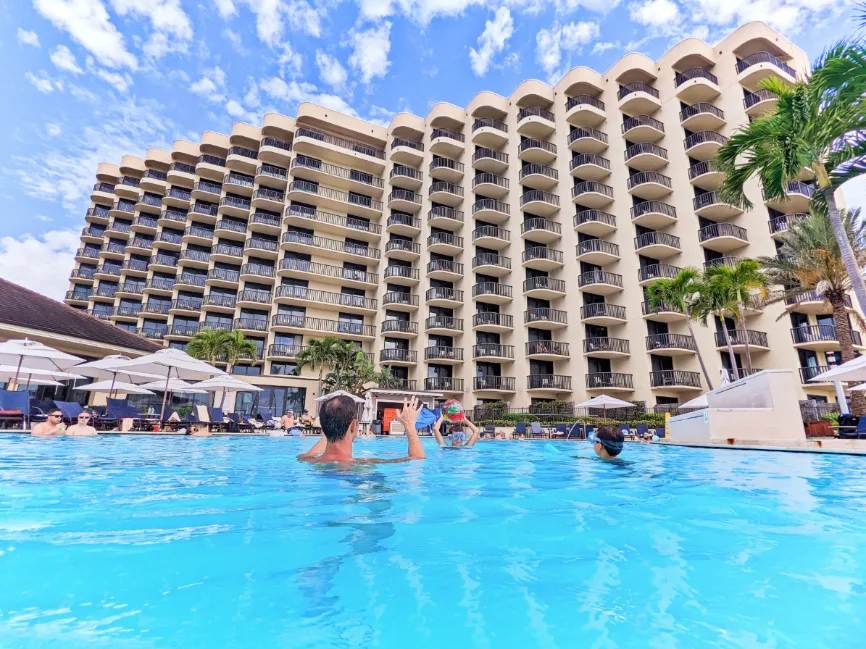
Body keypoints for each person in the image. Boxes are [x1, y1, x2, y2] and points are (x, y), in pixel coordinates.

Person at [298, 395, 426, 463]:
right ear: (354, 425)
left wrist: (331, 422)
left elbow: (310, 454)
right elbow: (417, 459)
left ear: (323, 426)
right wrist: (409, 424)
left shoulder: (307, 460)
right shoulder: (362, 466)